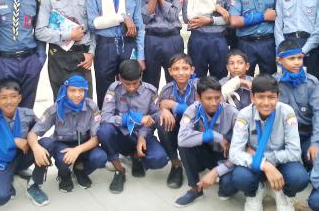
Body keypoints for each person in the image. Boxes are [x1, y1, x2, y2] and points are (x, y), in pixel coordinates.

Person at [229, 75, 309, 211]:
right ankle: (254, 194)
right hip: (256, 165)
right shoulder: (244, 115)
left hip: (281, 163)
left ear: (278, 97)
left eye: (271, 97)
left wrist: (264, 159)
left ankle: (283, 194)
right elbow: (234, 153)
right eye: (260, 97)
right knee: (240, 177)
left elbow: (295, 152)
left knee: (299, 178)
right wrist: (265, 165)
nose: (266, 103)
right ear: (252, 97)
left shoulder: (287, 112)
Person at [27, 75, 107, 199]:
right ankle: (64, 175)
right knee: (53, 150)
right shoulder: (56, 108)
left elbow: (95, 138)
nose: (77, 95)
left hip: (84, 145)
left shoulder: (91, 107)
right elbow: (33, 133)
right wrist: (35, 147)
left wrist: (77, 150)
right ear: (65, 90)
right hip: (63, 145)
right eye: (72, 90)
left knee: (100, 157)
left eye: (81, 90)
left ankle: (80, 169)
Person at [86, 0, 145, 108]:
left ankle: (130, 123)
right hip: (105, 46)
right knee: (104, 92)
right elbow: (93, 23)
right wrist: (122, 17)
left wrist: (140, 55)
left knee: (131, 89)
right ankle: (106, 123)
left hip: (128, 43)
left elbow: (139, 23)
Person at [97, 60, 169, 193]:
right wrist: (133, 119)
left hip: (143, 135)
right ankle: (119, 170)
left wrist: (142, 136)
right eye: (127, 84)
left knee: (159, 159)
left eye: (135, 83)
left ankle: (136, 156)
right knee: (104, 130)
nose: (131, 88)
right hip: (123, 136)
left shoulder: (150, 91)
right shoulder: (114, 89)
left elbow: (154, 117)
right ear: (119, 78)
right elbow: (105, 117)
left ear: (141, 76)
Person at [35, 0, 94, 99]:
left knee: (85, 103)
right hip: (59, 57)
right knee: (61, 101)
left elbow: (93, 28)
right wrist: (69, 35)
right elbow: (40, 32)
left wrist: (91, 53)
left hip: (83, 57)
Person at [175, 76, 240, 207]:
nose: (214, 102)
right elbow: (182, 139)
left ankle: (221, 178)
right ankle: (195, 188)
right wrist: (215, 136)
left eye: (217, 97)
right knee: (185, 146)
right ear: (199, 98)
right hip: (205, 153)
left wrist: (218, 171)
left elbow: (242, 148)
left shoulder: (233, 113)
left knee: (227, 187)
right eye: (208, 98)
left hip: (226, 156)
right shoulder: (192, 110)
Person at [0, 78, 43, 206]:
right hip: (1, 162)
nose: (9, 101)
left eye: (13, 96)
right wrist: (12, 142)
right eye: (3, 98)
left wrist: (32, 142)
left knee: (47, 145)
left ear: (19, 98)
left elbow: (40, 129)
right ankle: (6, 178)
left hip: (22, 155)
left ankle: (34, 184)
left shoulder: (28, 115)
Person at [275, 38, 319, 170]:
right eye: (291, 59)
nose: (297, 62)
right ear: (279, 60)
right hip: (283, 137)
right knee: (296, 176)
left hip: (306, 134)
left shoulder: (311, 82)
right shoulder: (273, 83)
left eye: (299, 58)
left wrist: (316, 142)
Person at [229, 0, 279, 77]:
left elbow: (279, 16)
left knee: (269, 82)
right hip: (245, 43)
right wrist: (263, 16)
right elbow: (234, 21)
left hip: (268, 42)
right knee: (242, 81)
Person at [141, 0, 185, 88]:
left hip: (173, 39)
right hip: (151, 39)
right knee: (149, 82)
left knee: (175, 81)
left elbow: (172, 15)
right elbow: (145, 18)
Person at [156, 53, 198, 189]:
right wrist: (164, 109)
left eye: (185, 68)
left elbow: (202, 112)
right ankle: (175, 164)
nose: (180, 73)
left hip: (196, 129)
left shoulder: (199, 87)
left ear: (192, 70)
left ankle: (196, 162)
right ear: (170, 71)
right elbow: (159, 106)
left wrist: (173, 105)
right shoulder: (167, 90)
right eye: (176, 69)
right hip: (176, 128)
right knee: (162, 122)